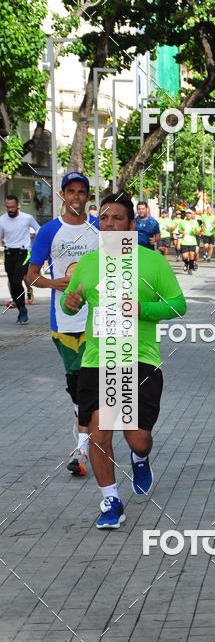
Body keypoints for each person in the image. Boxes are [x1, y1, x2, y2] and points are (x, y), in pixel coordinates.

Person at [61, 193, 186, 530]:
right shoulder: (88, 264)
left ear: (131, 226)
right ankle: (111, 500)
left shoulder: (153, 262)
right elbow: (69, 306)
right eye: (104, 218)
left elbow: (177, 305)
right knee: (100, 432)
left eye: (117, 218)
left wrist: (143, 309)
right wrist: (71, 304)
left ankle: (140, 458)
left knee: (137, 437)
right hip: (97, 360)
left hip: (140, 360)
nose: (110, 224)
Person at [26, 171, 99, 475]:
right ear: (62, 195)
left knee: (88, 388)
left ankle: (84, 450)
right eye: (71, 191)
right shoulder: (48, 232)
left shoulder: (99, 227)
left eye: (82, 192)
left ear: (87, 197)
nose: (76, 197)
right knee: (78, 388)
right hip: (65, 323)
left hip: (99, 319)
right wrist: (55, 283)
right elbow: (31, 276)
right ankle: (86, 444)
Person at [0, 195, 40, 323]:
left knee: (17, 281)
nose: (10, 209)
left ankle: (22, 308)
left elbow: (39, 229)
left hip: (23, 252)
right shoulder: (2, 220)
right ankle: (21, 308)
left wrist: (37, 243)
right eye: (8, 207)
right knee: (12, 283)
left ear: (18, 206)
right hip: (9, 253)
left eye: (12, 207)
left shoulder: (27, 218)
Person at [178, 208, 200, 273]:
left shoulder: (195, 222)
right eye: (187, 213)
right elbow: (179, 230)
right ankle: (186, 263)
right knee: (184, 256)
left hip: (192, 242)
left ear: (192, 215)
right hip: (184, 242)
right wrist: (182, 231)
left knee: (192, 255)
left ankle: (190, 268)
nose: (188, 215)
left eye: (189, 213)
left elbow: (198, 233)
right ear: (185, 214)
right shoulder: (182, 222)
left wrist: (195, 231)